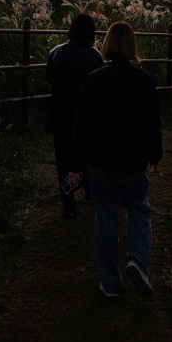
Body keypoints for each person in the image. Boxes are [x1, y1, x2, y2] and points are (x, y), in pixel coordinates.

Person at [69, 21, 163, 299]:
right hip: (133, 161)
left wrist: (76, 164)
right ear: (132, 46)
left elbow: (82, 126)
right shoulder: (144, 81)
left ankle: (110, 284)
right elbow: (152, 122)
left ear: (107, 45)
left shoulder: (95, 79)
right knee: (138, 210)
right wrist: (154, 154)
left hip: (101, 162)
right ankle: (137, 261)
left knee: (106, 217)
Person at [45, 13, 104, 218]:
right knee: (87, 155)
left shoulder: (55, 53)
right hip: (85, 116)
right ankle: (89, 191)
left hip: (60, 115)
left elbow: (49, 78)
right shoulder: (94, 56)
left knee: (63, 158)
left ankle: (68, 201)